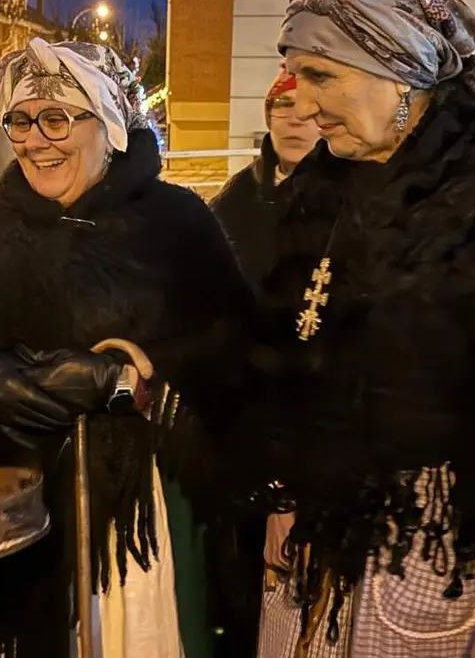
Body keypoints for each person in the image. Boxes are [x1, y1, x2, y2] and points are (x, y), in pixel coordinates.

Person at [15, 0, 475, 657]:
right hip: (315, 545)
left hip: (438, 560)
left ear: (396, 64)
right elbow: (279, 342)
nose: (301, 103)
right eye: (298, 76)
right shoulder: (328, 181)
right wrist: (280, 493)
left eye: (320, 74)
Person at [0, 37, 253, 657]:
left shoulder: (177, 224)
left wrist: (132, 387)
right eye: (20, 120)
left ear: (107, 123)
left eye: (56, 118)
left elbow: (236, 356)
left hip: (140, 524)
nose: (34, 140)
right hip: (19, 522)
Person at [201, 67, 322, 657]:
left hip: (300, 412)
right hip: (237, 409)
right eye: (281, 110)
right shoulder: (237, 197)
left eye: (305, 110)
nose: (293, 122)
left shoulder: (343, 199)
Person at [212, 67, 321, 286]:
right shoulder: (237, 197)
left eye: (310, 110)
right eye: (284, 105)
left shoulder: (354, 198)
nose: (295, 119)